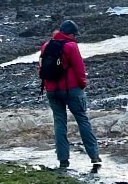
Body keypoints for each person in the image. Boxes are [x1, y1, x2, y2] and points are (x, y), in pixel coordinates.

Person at [40, 19, 101, 172]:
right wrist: (82, 85)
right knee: (82, 119)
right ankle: (94, 156)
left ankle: (63, 160)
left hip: (51, 91)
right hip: (71, 89)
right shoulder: (71, 46)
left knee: (59, 122)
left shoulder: (46, 46)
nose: (75, 37)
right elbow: (79, 69)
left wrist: (48, 87)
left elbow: (41, 68)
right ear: (70, 34)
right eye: (75, 34)